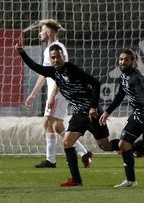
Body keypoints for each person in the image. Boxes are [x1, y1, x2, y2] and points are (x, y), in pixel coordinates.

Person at [15, 43, 120, 187]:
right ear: (51, 59)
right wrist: (22, 53)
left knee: (105, 146)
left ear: (63, 56)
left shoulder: (72, 70)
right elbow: (35, 66)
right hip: (78, 114)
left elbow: (96, 84)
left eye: (58, 57)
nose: (56, 60)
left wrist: (93, 107)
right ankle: (76, 180)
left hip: (92, 113)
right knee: (67, 142)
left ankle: (129, 145)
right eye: (53, 58)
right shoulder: (53, 72)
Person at [26, 19, 92, 169]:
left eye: (41, 30)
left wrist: (51, 96)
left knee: (47, 123)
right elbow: (43, 74)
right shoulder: (50, 49)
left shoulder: (57, 49)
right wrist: (34, 94)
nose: (39, 33)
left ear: (48, 31)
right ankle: (84, 153)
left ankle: (51, 160)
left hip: (58, 91)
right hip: (57, 91)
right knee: (58, 126)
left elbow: (62, 74)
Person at [99, 48, 144, 188]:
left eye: (126, 59)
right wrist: (107, 111)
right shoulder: (123, 77)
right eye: (121, 59)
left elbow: (142, 95)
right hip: (137, 115)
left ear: (133, 62)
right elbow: (120, 95)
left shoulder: (136, 78)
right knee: (123, 144)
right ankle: (131, 180)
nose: (122, 62)